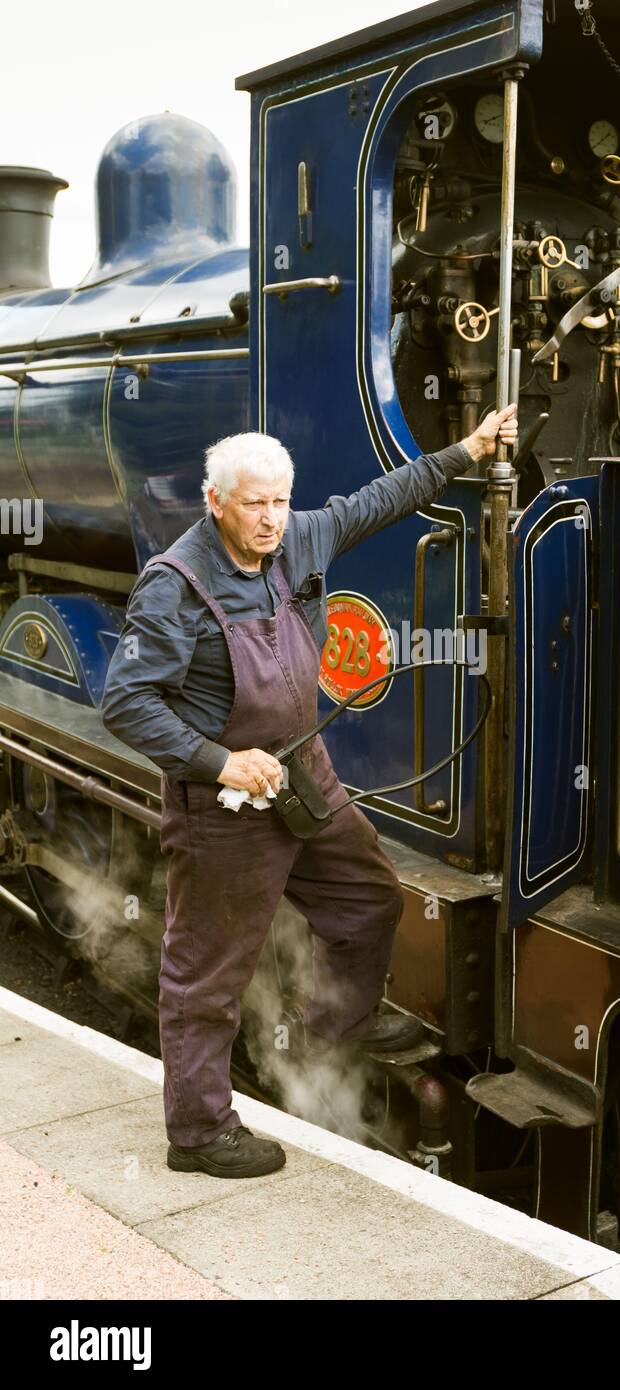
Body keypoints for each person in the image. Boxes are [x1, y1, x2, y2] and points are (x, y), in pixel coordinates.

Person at [100, 407, 518, 1178]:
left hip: (304, 775)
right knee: (208, 973)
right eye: (254, 503)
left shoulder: (302, 538)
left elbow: (381, 499)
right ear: (215, 501)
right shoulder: (176, 586)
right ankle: (196, 1132)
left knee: (368, 901)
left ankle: (329, 1036)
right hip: (225, 807)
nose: (270, 519)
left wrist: (469, 448)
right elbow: (125, 702)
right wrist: (217, 763)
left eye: (280, 502)